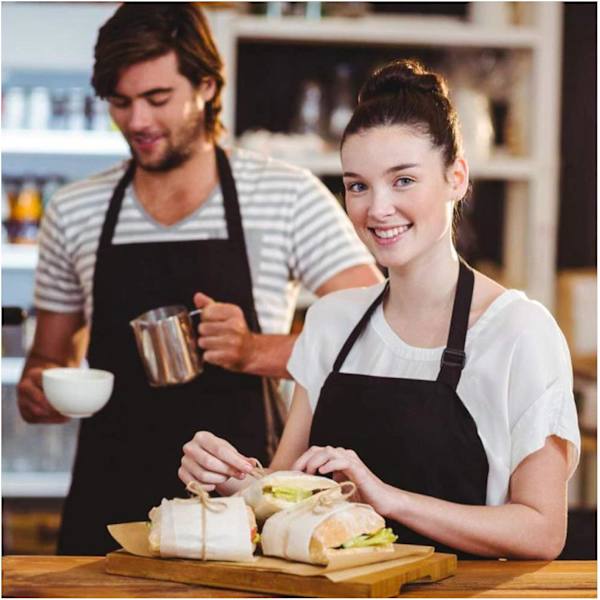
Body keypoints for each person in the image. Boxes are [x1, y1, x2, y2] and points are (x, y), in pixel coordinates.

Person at [16, 3, 382, 556]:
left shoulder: (285, 195)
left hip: (244, 503)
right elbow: (46, 360)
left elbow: (373, 335)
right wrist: (40, 391)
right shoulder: (75, 210)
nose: (137, 121)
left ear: (208, 86)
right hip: (108, 502)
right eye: (120, 102)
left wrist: (255, 349)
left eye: (157, 99)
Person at [178, 59, 581, 560]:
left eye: (404, 180)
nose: (377, 208)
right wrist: (232, 479)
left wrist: (389, 500)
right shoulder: (332, 322)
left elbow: (542, 531)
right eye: (358, 185)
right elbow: (281, 496)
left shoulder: (520, 332)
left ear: (456, 177)